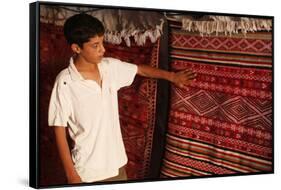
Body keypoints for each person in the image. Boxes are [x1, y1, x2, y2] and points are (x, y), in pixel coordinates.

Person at [48, 13, 196, 184]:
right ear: (76, 48)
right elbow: (59, 128)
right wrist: (71, 175)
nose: (103, 50)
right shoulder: (65, 82)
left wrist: (172, 77)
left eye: (102, 43)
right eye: (95, 45)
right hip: (87, 173)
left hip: (117, 165)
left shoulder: (109, 68)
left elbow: (140, 69)